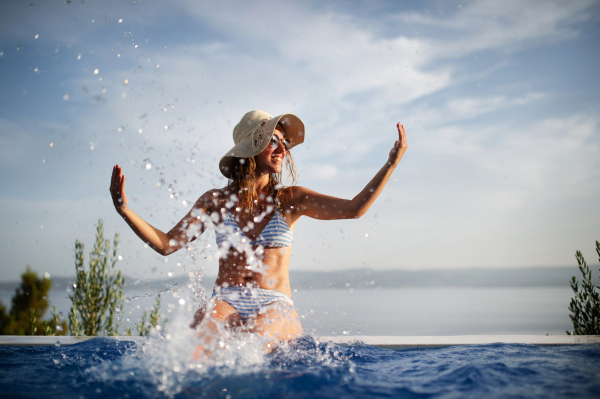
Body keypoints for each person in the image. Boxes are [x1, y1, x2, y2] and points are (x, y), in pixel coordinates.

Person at [110, 110, 407, 355]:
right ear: (251, 147)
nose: (282, 149)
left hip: (274, 303)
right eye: (273, 141)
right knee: (195, 350)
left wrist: (390, 164)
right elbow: (168, 244)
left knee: (255, 343)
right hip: (225, 300)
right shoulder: (215, 201)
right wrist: (125, 210)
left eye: (284, 144)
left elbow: (354, 208)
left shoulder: (291, 199)